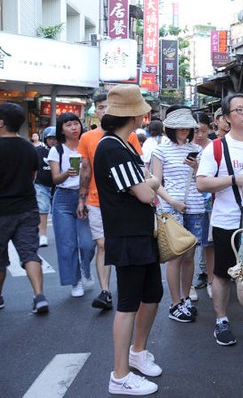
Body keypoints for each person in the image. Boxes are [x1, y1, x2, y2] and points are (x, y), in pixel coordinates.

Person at [94, 85, 162, 395]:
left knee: (152, 295)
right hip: (127, 235)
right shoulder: (112, 148)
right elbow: (146, 193)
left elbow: (144, 188)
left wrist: (148, 182)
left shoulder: (124, 144)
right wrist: (154, 179)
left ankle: (137, 353)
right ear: (133, 114)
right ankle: (119, 375)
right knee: (128, 305)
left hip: (139, 233)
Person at [196, 94, 243, 346]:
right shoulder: (217, 147)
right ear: (227, 118)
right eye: (239, 109)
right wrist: (235, 179)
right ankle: (221, 320)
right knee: (222, 273)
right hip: (226, 221)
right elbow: (201, 183)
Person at [77, 92, 143, 311]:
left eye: (107, 106)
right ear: (95, 111)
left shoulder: (130, 137)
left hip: (123, 201)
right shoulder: (87, 138)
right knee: (102, 244)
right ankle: (105, 290)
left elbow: (139, 170)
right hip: (96, 200)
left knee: (115, 244)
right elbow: (85, 170)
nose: (104, 110)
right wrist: (82, 199)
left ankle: (121, 287)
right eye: (100, 107)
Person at [150, 105, 203, 323]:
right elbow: (155, 182)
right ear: (170, 128)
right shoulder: (160, 150)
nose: (183, 129)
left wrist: (197, 166)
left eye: (187, 126)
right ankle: (175, 303)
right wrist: (172, 201)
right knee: (176, 256)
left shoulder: (197, 149)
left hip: (196, 206)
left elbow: (203, 179)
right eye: (179, 126)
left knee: (190, 255)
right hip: (172, 208)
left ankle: (185, 297)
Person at [0, 103, 49, 313]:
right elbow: (33, 177)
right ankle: (39, 296)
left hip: (2, 211)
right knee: (30, 254)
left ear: (1, 123)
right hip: (28, 208)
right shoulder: (29, 147)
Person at [48, 112, 95, 298]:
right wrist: (68, 173)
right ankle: (74, 282)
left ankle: (85, 269)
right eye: (68, 125)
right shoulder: (57, 150)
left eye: (76, 123)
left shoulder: (87, 145)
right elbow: (55, 179)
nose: (74, 128)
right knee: (67, 244)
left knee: (88, 244)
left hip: (84, 196)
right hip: (63, 199)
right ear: (62, 129)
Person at [192, 112, 213, 296]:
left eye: (203, 131)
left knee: (207, 240)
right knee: (192, 242)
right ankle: (199, 275)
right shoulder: (183, 147)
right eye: (196, 131)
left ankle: (206, 273)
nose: (199, 135)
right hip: (188, 201)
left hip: (208, 200)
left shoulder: (213, 148)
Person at [34, 126, 57, 247]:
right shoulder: (39, 151)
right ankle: (42, 235)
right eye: (50, 138)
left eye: (55, 138)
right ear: (45, 139)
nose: (53, 141)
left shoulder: (61, 151)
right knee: (42, 209)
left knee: (57, 211)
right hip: (41, 184)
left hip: (57, 185)